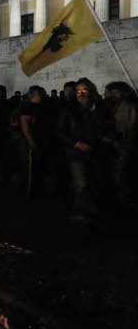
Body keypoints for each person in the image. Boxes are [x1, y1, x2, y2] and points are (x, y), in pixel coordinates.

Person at [56, 78, 109, 222]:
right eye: (78, 91)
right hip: (76, 153)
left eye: (84, 90)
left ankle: (94, 211)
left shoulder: (100, 108)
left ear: (91, 91)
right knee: (80, 183)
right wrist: (76, 143)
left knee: (95, 181)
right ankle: (80, 212)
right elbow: (60, 131)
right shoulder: (69, 109)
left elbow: (104, 127)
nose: (81, 93)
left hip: (96, 151)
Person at [104, 81, 138, 209]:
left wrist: (120, 143)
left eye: (115, 92)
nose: (112, 95)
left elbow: (131, 129)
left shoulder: (129, 106)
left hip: (126, 146)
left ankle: (127, 202)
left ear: (124, 92)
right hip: (120, 146)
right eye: (110, 92)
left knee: (125, 175)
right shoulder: (116, 105)